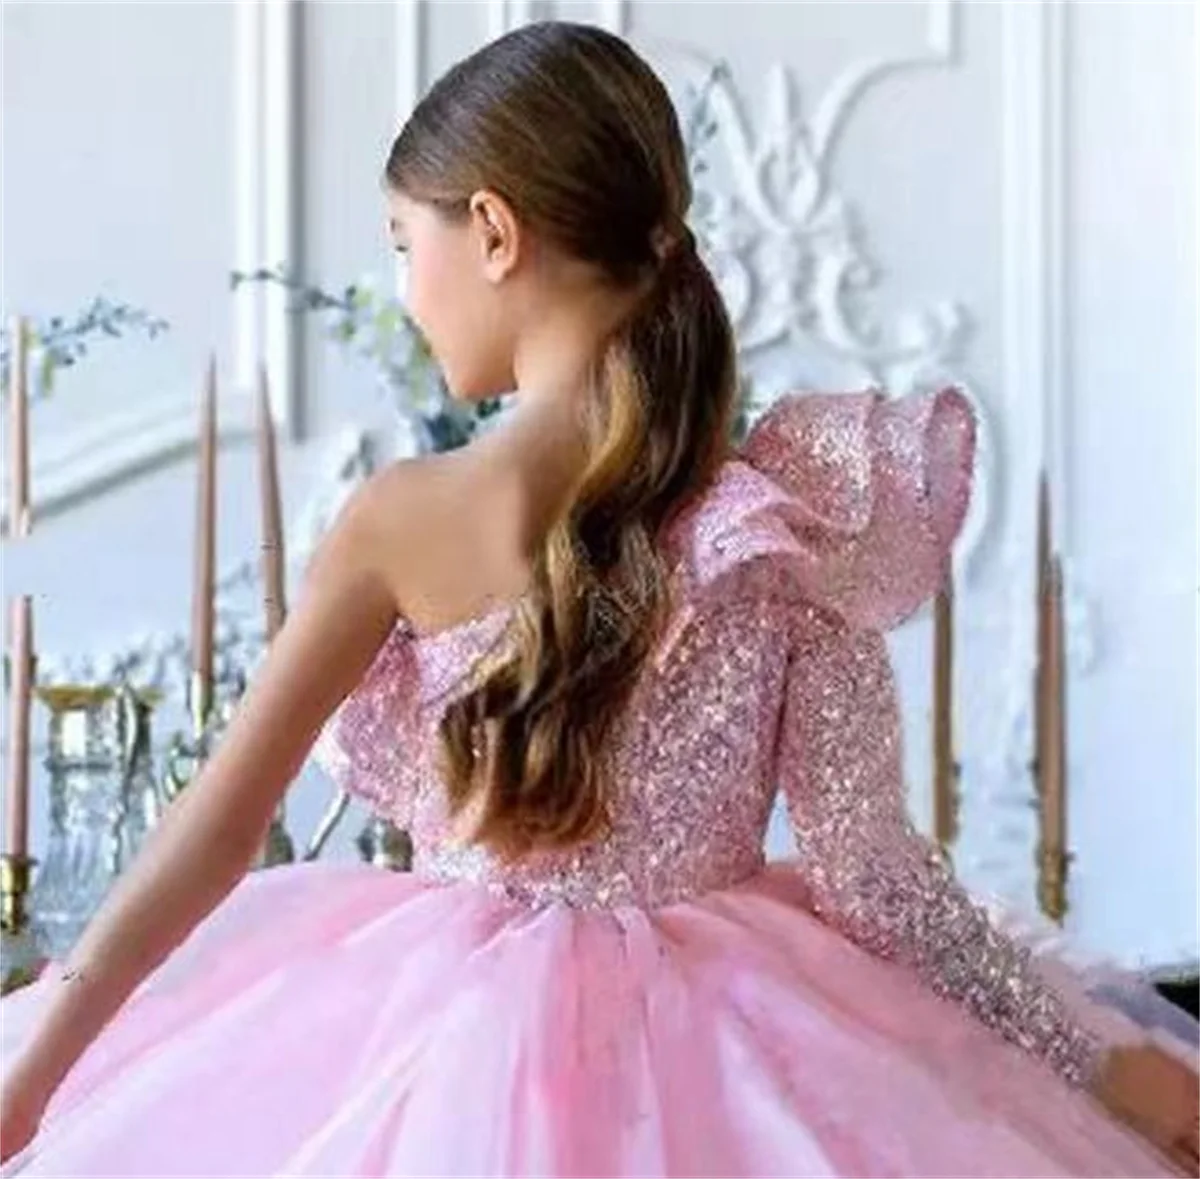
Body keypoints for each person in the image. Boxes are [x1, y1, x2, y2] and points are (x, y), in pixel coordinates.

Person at [1, 21, 1196, 1178]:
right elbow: (877, 883)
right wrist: (1091, 1062)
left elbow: (213, 832)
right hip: (758, 1065)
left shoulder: (405, 519)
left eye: (401, 244)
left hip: (430, 1051)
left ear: (493, 231)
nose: (406, 291)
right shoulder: (788, 520)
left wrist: (40, 1066)